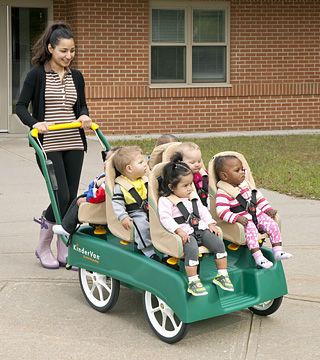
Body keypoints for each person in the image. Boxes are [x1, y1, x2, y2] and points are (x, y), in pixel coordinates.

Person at [15, 22, 92, 269]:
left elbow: (81, 105)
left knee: (70, 199)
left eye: (72, 51)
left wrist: (84, 116)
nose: (68, 56)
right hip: (48, 143)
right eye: (63, 51)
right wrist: (36, 123)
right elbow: (20, 107)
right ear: (50, 48)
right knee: (62, 195)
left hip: (73, 141)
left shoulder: (76, 76)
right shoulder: (36, 74)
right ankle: (42, 246)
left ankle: (62, 246)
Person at [158, 155, 234, 297]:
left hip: (200, 228)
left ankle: (222, 275)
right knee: (192, 248)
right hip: (185, 232)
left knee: (218, 244)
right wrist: (178, 230)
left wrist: (210, 223)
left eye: (190, 184)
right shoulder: (166, 201)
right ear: (171, 187)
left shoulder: (192, 196)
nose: (189, 188)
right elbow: (165, 218)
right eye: (185, 186)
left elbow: (203, 211)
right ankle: (193, 281)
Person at [214, 155, 293, 269]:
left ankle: (277, 250)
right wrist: (236, 218)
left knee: (272, 224)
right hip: (244, 220)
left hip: (257, 214)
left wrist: (268, 210)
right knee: (251, 230)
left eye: (243, 169)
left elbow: (259, 199)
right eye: (237, 170)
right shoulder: (223, 192)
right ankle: (258, 257)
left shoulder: (247, 186)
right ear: (224, 176)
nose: (242, 172)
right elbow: (221, 212)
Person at [52, 147, 121, 237]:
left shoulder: (108, 181)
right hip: (103, 201)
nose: (104, 163)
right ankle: (71, 222)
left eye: (108, 161)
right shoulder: (111, 177)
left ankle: (67, 227)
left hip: (99, 202)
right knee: (78, 198)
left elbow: (98, 196)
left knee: (78, 200)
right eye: (105, 159)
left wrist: (87, 198)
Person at [112, 146, 156, 258]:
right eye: (141, 162)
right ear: (129, 168)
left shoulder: (145, 180)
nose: (145, 164)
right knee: (141, 225)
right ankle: (148, 249)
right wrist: (123, 217)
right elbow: (117, 204)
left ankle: (164, 248)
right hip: (135, 212)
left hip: (150, 208)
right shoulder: (120, 186)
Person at [173, 142, 209, 206]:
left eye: (199, 161)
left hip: (205, 201)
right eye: (192, 162)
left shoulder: (203, 174)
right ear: (180, 162)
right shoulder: (179, 177)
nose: (197, 165)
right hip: (190, 204)